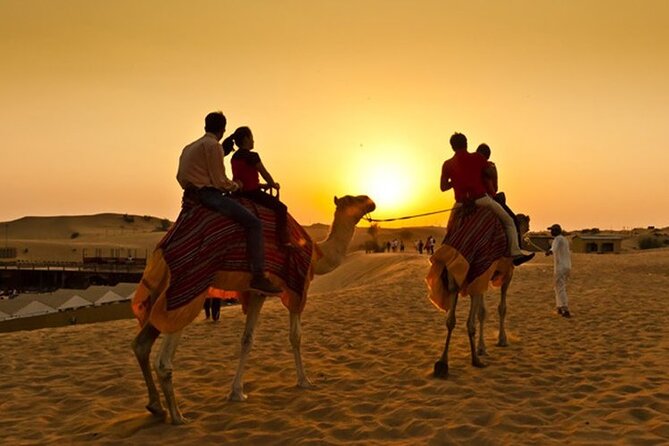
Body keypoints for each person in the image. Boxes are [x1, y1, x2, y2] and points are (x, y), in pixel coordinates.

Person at [176, 112, 282, 295]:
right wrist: (236, 186)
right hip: (208, 195)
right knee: (254, 224)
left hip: (189, 196)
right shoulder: (213, 146)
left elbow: (182, 176)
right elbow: (220, 182)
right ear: (223, 129)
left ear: (205, 126)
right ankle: (258, 276)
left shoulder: (189, 147)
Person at [440, 132, 534, 266]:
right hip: (481, 200)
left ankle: (445, 250)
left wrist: (455, 180)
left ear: (452, 147)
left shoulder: (447, 164)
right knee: (509, 221)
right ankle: (515, 252)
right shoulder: (478, 158)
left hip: (461, 203)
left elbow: (443, 187)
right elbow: (490, 174)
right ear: (466, 143)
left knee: (450, 229)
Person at [224, 127, 292, 248]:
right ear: (246, 139)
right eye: (252, 138)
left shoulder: (234, 157)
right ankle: (284, 240)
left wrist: (263, 186)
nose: (253, 141)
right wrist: (272, 184)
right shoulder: (253, 156)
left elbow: (244, 178)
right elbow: (264, 173)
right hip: (252, 193)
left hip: (238, 193)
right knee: (281, 208)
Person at [476, 143, 523, 245]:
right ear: (487, 156)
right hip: (488, 198)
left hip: (470, 199)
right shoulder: (490, 166)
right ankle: (515, 250)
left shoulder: (473, 167)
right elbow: (493, 188)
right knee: (511, 221)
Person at [546, 224, 572, 318]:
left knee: (560, 287)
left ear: (556, 231)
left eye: (552, 230)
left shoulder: (557, 239)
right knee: (558, 286)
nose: (551, 232)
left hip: (560, 267)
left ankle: (565, 308)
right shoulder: (565, 239)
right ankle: (559, 307)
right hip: (567, 266)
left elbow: (554, 249)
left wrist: (549, 252)